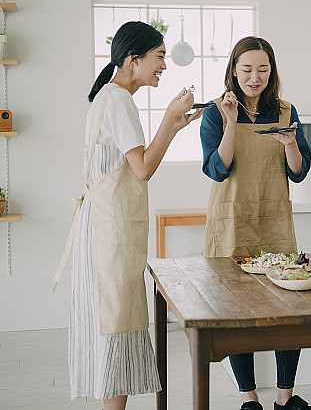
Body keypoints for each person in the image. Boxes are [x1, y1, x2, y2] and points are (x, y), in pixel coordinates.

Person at [54, 21, 202, 410]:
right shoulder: (119, 100)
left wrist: (174, 126)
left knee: (111, 325)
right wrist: (169, 118)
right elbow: (143, 168)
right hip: (108, 232)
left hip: (101, 225)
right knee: (116, 324)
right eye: (159, 57)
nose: (164, 66)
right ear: (133, 60)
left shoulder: (107, 96)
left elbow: (135, 162)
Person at [200, 36, 311, 410]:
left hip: (274, 220)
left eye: (262, 69)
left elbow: (298, 173)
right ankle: (249, 399)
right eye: (247, 69)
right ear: (233, 71)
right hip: (232, 220)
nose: (255, 77)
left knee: (289, 309)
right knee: (237, 313)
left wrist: (290, 143)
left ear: (272, 71)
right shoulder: (216, 113)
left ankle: (285, 397)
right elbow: (218, 169)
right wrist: (232, 123)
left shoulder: (286, 111)